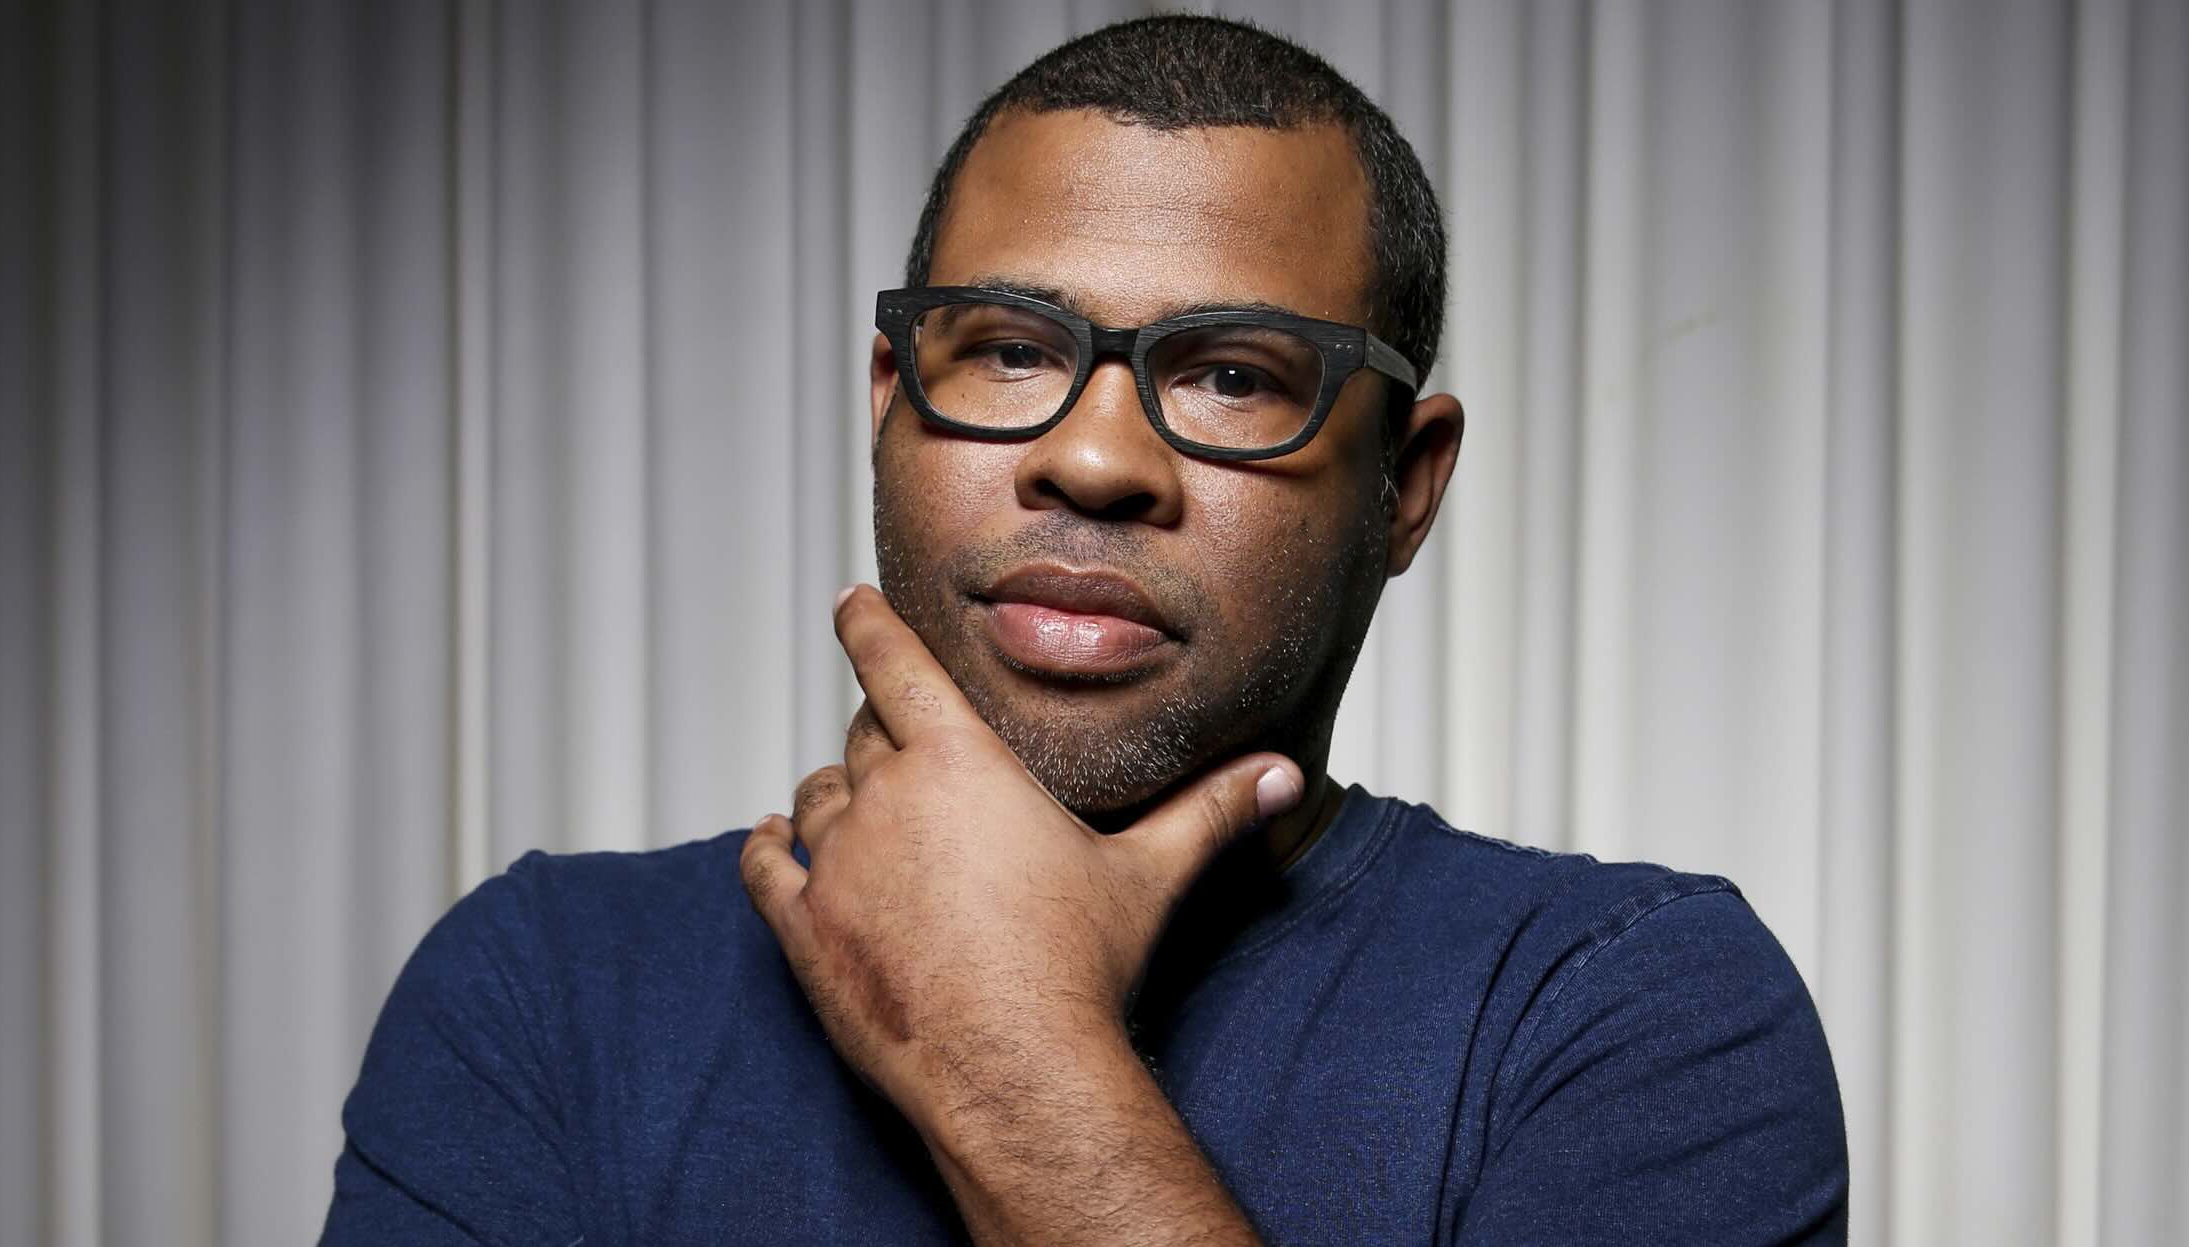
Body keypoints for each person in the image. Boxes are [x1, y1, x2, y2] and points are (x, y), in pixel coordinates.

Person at [322, 16, 1848, 1245]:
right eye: (1007, 350)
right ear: (889, 402)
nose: (1096, 458)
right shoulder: (546, 988)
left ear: (1405, 485)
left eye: (1234, 377)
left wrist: (1004, 1050)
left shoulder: (1628, 1013)